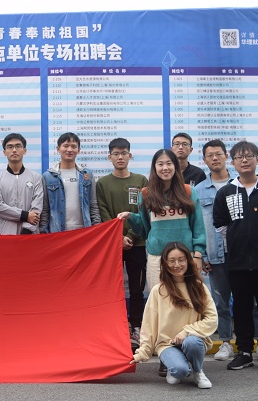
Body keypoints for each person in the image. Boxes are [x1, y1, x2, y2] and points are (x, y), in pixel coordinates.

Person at [213, 140, 258, 372]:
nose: (244, 160)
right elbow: (220, 224)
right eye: (239, 157)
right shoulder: (226, 191)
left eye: (249, 156)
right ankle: (244, 351)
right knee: (240, 308)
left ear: (257, 160)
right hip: (238, 261)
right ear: (232, 162)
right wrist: (238, 240)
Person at [131, 242, 218, 389]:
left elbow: (212, 319)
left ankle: (198, 371)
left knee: (192, 343)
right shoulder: (158, 290)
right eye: (172, 261)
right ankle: (175, 365)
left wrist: (186, 332)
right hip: (167, 344)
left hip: (192, 340)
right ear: (165, 264)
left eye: (181, 260)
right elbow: (149, 325)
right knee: (180, 371)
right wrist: (142, 353)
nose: (177, 265)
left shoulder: (199, 287)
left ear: (188, 261)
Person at [118, 149, 206, 292]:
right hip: (157, 258)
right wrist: (131, 217)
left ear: (175, 166)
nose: (165, 168)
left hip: (185, 257)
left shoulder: (188, 191)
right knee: (159, 299)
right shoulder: (146, 194)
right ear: (154, 168)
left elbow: (198, 226)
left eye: (169, 163)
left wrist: (198, 255)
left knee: (187, 298)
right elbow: (145, 230)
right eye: (160, 164)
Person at [96, 138, 148, 346]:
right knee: (112, 289)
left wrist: (131, 237)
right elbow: (102, 212)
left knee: (137, 288)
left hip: (138, 243)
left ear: (130, 155)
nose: (120, 157)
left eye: (124, 153)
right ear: (109, 157)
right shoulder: (102, 183)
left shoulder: (141, 180)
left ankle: (136, 326)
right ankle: (114, 327)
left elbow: (143, 212)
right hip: (112, 245)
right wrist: (117, 237)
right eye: (116, 154)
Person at [195, 139, 235, 362]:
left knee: (250, 301)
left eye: (218, 154)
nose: (215, 158)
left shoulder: (239, 184)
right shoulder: (199, 190)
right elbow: (198, 225)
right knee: (220, 302)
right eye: (210, 155)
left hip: (241, 253)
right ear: (204, 160)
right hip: (215, 254)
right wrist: (203, 255)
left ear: (226, 156)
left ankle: (254, 342)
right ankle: (226, 342)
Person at [39, 132, 101, 233]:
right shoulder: (48, 176)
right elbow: (45, 209)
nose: (69, 150)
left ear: (78, 150)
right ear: (58, 149)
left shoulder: (87, 174)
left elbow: (93, 205)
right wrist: (43, 232)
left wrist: (97, 229)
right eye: (66, 146)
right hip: (57, 232)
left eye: (73, 146)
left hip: (84, 231)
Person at [0, 133, 44, 235]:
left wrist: (27, 230)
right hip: (5, 235)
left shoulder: (36, 178)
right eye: (10, 147)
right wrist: (25, 216)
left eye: (18, 146)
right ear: (4, 152)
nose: (14, 150)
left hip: (29, 235)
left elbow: (37, 208)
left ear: (24, 150)